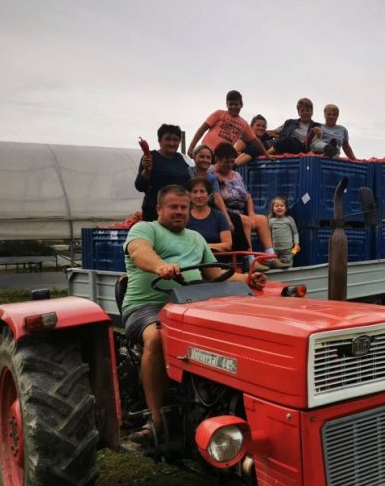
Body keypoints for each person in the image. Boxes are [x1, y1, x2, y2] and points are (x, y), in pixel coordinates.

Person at [121, 184, 266, 446]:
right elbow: (140, 252)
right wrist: (160, 266)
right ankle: (155, 420)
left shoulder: (196, 239)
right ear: (159, 209)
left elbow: (215, 274)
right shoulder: (145, 230)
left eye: (183, 207)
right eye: (173, 207)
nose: (179, 212)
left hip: (190, 304)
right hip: (148, 307)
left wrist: (249, 278)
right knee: (156, 337)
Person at [210, 143, 285, 269]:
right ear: (217, 159)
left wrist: (251, 215)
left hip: (240, 210)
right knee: (245, 221)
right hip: (223, 212)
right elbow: (216, 196)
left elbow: (248, 197)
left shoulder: (237, 174)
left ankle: (270, 257)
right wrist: (247, 219)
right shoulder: (211, 173)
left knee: (261, 219)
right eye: (226, 162)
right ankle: (250, 260)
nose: (229, 165)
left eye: (232, 162)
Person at [187, 90, 270, 160]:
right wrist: (191, 147)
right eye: (230, 104)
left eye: (236, 104)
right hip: (207, 152)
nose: (233, 107)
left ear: (241, 105)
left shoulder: (244, 124)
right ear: (227, 104)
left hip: (222, 158)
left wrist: (267, 155)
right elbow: (202, 129)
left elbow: (256, 141)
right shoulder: (219, 113)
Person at [135, 124, 194, 221]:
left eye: (175, 140)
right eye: (168, 139)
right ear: (159, 141)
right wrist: (146, 170)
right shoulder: (150, 157)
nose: (172, 143)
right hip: (155, 211)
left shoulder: (182, 159)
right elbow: (140, 186)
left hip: (179, 211)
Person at [186, 177, 232, 252]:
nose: (198, 196)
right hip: (190, 261)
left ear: (209, 196)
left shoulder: (219, 216)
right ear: (189, 196)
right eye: (194, 192)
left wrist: (202, 246)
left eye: (202, 191)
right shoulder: (184, 216)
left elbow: (227, 245)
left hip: (215, 260)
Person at [190, 144, 231, 222]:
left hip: (209, 210)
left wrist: (227, 217)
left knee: (237, 220)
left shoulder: (212, 177)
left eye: (208, 158)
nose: (205, 160)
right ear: (194, 157)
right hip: (191, 209)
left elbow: (217, 197)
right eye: (201, 157)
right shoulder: (188, 173)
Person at [268, 197, 298, 267]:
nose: (279, 207)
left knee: (288, 265)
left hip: (288, 250)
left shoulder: (289, 219)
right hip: (275, 250)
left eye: (281, 206)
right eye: (276, 206)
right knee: (276, 266)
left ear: (286, 208)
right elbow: (268, 235)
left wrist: (296, 244)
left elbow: (295, 233)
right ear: (273, 208)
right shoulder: (271, 221)